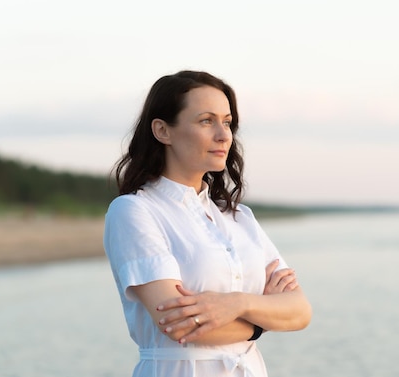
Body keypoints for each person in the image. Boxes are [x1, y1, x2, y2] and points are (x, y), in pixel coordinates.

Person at [103, 70, 312, 377]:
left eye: (227, 122)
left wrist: (237, 304)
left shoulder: (239, 218)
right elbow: (179, 324)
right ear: (163, 131)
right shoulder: (135, 211)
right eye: (206, 121)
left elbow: (300, 311)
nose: (224, 134)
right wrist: (264, 318)